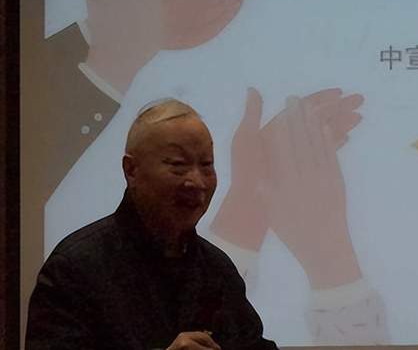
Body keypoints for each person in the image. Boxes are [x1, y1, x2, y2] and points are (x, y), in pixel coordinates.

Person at [26, 99, 278, 350]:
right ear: (131, 170)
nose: (197, 182)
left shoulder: (217, 270)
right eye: (178, 165)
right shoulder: (75, 269)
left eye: (206, 165)